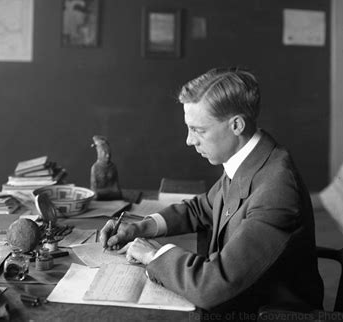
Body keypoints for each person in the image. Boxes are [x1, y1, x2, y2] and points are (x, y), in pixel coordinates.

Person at [100, 67, 324, 315]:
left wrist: (153, 255)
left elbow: (212, 286)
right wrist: (139, 227)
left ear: (236, 125)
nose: (189, 140)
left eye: (198, 130)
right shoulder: (252, 159)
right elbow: (201, 208)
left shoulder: (276, 189)